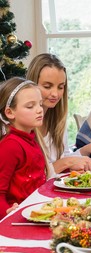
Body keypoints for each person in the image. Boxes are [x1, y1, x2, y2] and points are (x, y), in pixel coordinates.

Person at [26, 53, 91, 174]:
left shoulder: (58, 121)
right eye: (47, 86)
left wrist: (88, 150)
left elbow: (63, 160)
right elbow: (28, 177)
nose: (55, 94)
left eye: (60, 87)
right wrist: (66, 163)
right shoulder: (19, 125)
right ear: (31, 85)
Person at [0, 77, 48, 219]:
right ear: (10, 113)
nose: (39, 110)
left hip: (36, 212)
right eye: (30, 106)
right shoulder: (10, 146)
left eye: (40, 104)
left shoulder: (30, 138)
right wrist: (8, 213)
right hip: (19, 218)